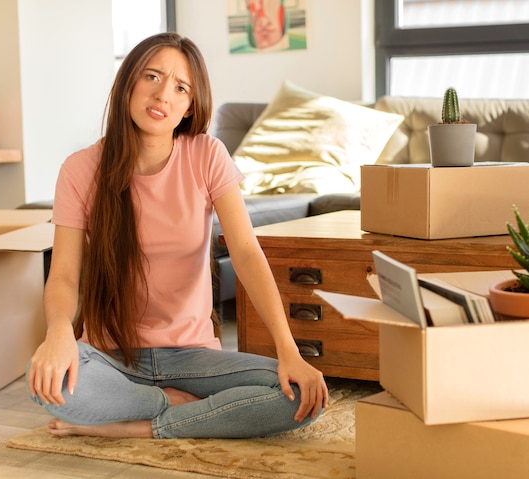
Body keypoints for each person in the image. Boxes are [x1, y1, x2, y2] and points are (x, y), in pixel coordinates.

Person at [26, 32, 328, 439]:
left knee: (299, 394)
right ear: (127, 83)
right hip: (112, 354)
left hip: (193, 357)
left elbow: (245, 253)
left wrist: (289, 352)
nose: (162, 94)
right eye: (151, 77)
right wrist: (59, 333)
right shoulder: (80, 169)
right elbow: (63, 274)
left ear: (189, 106)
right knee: (48, 382)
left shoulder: (207, 155)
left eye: (180, 87)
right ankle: (173, 405)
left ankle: (132, 427)